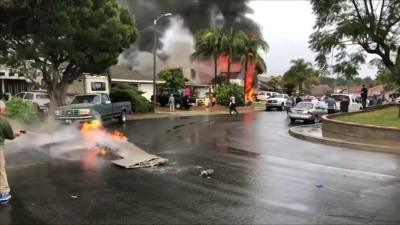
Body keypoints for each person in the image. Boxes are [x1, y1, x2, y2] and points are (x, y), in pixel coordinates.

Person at [0, 101, 23, 203]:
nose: (5, 110)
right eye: (4, 108)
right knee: (0, 171)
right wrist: (16, 133)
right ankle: (4, 193)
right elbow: (10, 135)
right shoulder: (3, 121)